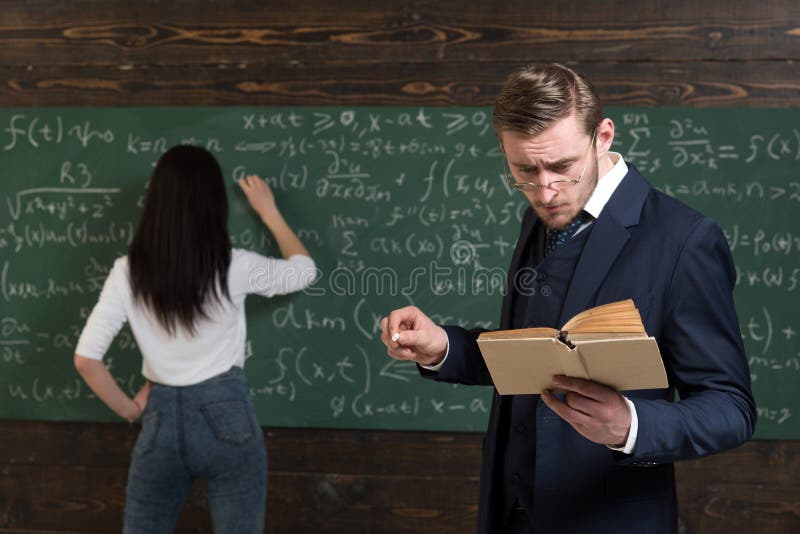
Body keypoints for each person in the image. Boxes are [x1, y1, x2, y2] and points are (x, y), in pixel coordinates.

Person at [380, 63, 756, 533]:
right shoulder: (539, 216)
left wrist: (630, 426)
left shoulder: (685, 240)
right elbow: (535, 357)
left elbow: (731, 409)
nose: (545, 189)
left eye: (562, 166)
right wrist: (445, 348)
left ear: (602, 136)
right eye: (524, 169)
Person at [73, 145, 316, 533]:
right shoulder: (233, 266)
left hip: (160, 417)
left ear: (155, 201)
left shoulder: (127, 272)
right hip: (228, 415)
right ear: (215, 203)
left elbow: (86, 359)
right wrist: (268, 211)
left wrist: (131, 410)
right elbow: (303, 271)